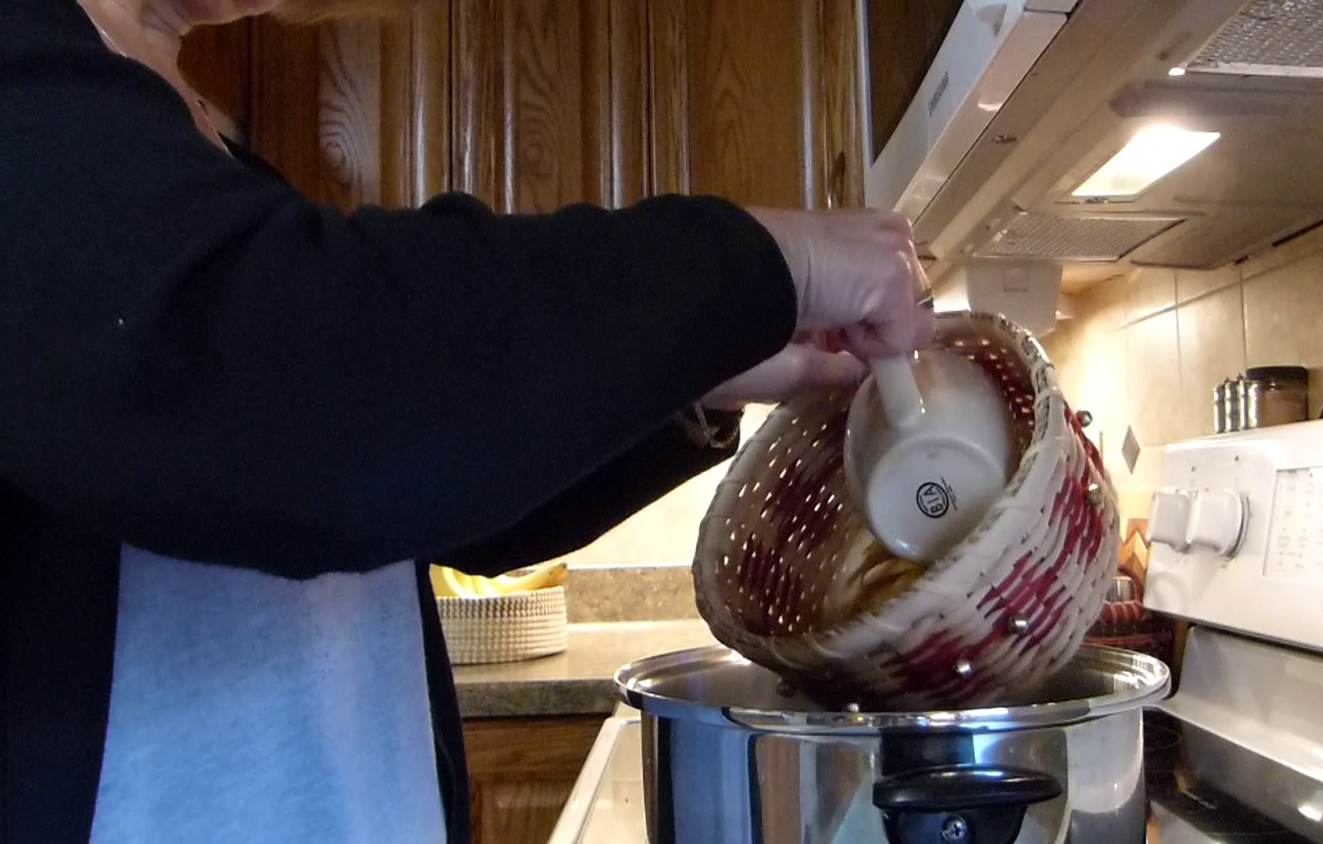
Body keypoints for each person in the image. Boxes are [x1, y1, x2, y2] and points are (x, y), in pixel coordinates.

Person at [0, 0, 934, 841]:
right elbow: (312, 429)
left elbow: (427, 498)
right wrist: (759, 264)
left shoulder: (199, 140)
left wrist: (694, 376)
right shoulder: (27, 68)